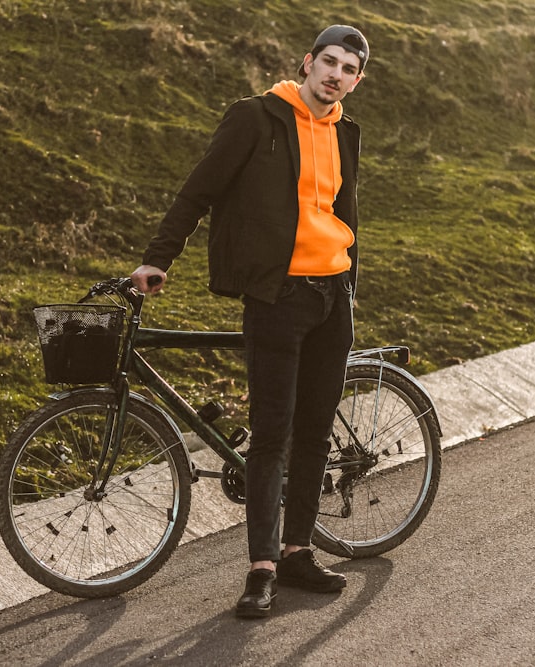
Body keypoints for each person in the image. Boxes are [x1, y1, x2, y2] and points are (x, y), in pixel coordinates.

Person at [131, 24, 369, 618]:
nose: (335, 75)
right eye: (329, 62)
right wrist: (159, 258)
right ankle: (261, 568)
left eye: (349, 69)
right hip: (276, 297)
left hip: (331, 298)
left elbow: (346, 210)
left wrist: (350, 284)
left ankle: (296, 553)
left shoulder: (346, 133)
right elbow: (198, 192)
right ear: (308, 63)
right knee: (270, 436)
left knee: (314, 433)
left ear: (357, 81)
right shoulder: (256, 118)